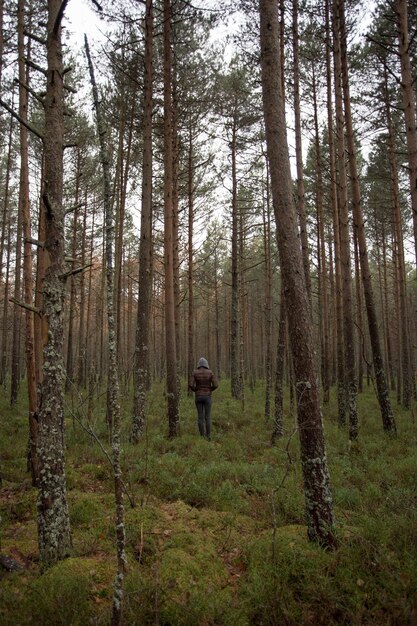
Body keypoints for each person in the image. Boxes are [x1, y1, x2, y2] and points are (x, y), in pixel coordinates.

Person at [189, 357, 218, 440]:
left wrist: (196, 390)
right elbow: (216, 385)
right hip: (207, 397)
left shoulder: (195, 372)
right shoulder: (210, 372)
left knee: (200, 417)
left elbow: (190, 384)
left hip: (198, 397)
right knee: (207, 417)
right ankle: (208, 437)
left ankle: (202, 437)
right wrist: (210, 390)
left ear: (199, 364)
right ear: (206, 364)